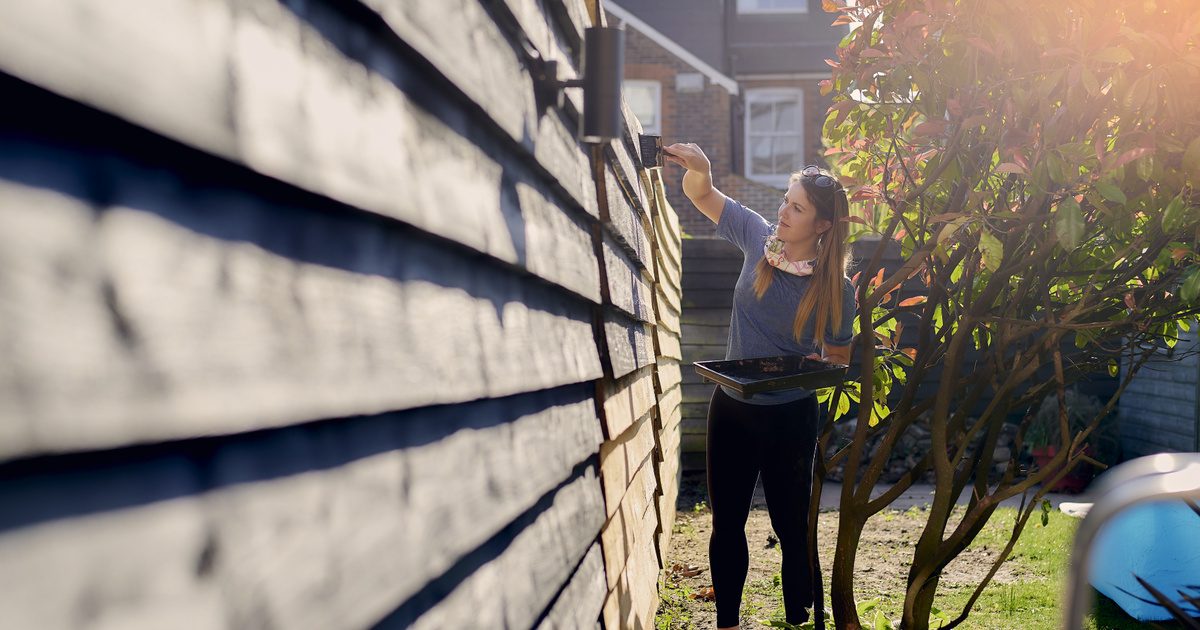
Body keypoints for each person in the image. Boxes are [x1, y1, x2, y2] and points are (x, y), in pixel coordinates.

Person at [663, 142, 856, 629]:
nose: (783, 212)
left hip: (791, 416)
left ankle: (797, 618)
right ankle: (727, 621)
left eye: (797, 207)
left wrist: (815, 362)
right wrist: (702, 169)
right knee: (726, 522)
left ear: (823, 225)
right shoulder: (757, 236)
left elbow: (839, 358)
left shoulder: (837, 289)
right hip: (732, 407)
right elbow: (703, 195)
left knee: (790, 528)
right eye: (786, 200)